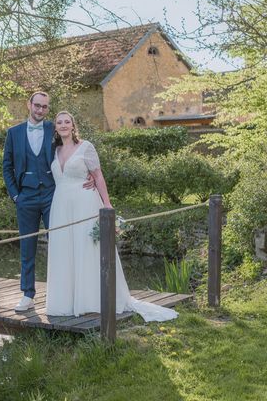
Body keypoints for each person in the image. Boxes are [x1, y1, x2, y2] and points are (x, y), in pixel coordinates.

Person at [45, 111, 178, 322]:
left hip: (84, 203)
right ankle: (67, 302)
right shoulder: (54, 149)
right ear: (56, 127)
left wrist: (107, 205)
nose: (63, 125)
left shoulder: (86, 147)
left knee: (87, 249)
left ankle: (90, 301)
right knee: (64, 250)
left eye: (67, 122)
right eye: (59, 122)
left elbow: (97, 175)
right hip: (60, 205)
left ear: (73, 125)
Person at [3, 92, 95, 313]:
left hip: (53, 196)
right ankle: (27, 294)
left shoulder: (53, 129)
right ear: (29, 105)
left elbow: (75, 149)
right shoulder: (13, 133)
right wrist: (16, 195)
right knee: (27, 247)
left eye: (44, 107)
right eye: (37, 105)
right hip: (25, 197)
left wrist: (88, 174)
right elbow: (7, 167)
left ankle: (66, 293)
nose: (40, 110)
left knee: (61, 243)